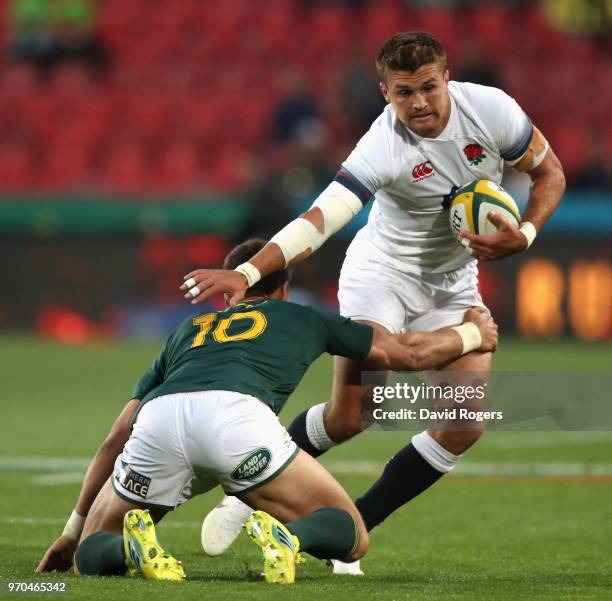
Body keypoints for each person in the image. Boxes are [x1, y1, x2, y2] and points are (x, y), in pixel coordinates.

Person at [181, 31, 566, 570]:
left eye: (429, 87)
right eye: (404, 92)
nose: (420, 103)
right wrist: (248, 270)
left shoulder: (492, 111)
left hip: (453, 283)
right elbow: (319, 219)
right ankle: (242, 490)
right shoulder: (381, 146)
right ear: (385, 92)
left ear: (446, 79)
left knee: (462, 425)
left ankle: (345, 534)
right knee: (355, 414)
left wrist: (523, 234)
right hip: (380, 274)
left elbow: (550, 173)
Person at [37, 238, 498, 583]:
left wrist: (72, 533)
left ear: (231, 292)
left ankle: (128, 554)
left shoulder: (189, 330)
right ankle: (291, 539)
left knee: (96, 545)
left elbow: (117, 435)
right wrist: (472, 336)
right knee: (353, 535)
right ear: (284, 288)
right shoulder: (304, 316)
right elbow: (406, 354)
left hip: (160, 419)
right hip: (238, 423)